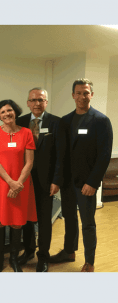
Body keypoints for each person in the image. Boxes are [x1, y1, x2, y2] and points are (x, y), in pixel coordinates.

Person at [49, 78, 113, 272]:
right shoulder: (65, 121)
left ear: (91, 95)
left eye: (86, 93)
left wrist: (93, 182)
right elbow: (61, 154)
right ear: (73, 95)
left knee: (88, 224)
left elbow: (104, 156)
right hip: (68, 183)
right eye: (78, 93)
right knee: (69, 219)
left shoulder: (101, 121)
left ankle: (90, 261)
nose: (82, 96)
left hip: (86, 184)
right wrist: (58, 180)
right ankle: (69, 251)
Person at [0, 99, 37, 272]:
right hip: (1, 183)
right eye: (2, 112)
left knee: (17, 223)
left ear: (16, 111)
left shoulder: (27, 133)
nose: (6, 114)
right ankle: (0, 258)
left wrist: (18, 183)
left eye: (9, 110)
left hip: (21, 184)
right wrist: (10, 182)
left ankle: (13, 258)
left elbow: (29, 162)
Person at [16, 88, 61, 272]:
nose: (37, 103)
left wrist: (56, 180)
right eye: (33, 100)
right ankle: (28, 251)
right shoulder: (19, 122)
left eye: (41, 100)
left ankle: (43, 256)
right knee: (26, 218)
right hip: (24, 180)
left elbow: (60, 155)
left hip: (46, 181)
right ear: (27, 102)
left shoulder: (56, 123)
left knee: (43, 220)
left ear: (46, 102)